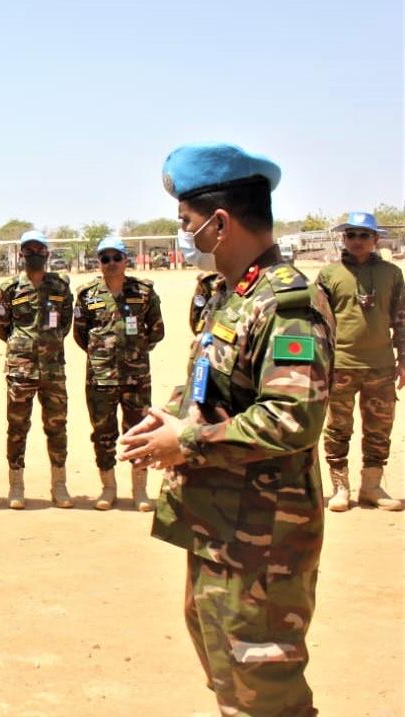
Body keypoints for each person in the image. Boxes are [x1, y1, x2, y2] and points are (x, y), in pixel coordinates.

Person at [120, 141, 332, 717]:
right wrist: (172, 417)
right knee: (231, 677)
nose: (183, 235)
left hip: (264, 535)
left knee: (264, 687)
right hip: (221, 523)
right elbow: (219, 384)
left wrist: (185, 441)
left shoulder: (286, 303)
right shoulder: (232, 294)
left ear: (218, 223)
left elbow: (291, 416)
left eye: (185, 222)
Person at [316, 211, 405, 511]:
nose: (357, 240)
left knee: (379, 429)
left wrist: (403, 360)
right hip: (340, 366)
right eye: (350, 235)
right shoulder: (329, 275)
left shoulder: (392, 274)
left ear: (375, 239)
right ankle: (340, 487)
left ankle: (371, 486)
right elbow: (318, 324)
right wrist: (319, 364)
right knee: (338, 429)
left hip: (381, 366)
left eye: (363, 235)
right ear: (344, 239)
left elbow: (402, 319)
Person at [72, 236, 164, 511]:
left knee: (139, 431)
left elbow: (156, 329)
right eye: (105, 258)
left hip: (136, 377)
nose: (111, 263)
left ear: (126, 260)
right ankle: (108, 488)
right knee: (103, 433)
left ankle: (140, 489)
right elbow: (80, 334)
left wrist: (134, 351)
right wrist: (102, 352)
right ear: (99, 262)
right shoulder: (87, 294)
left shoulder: (144, 292)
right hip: (100, 377)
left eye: (116, 257)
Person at [0, 230, 73, 509]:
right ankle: (16, 485)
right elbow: (3, 328)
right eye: (29, 250)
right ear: (21, 254)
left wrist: (48, 345)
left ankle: (59, 485)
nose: (34, 254)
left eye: (39, 250)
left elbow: (65, 324)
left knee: (57, 427)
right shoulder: (9, 288)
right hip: (21, 370)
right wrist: (24, 348)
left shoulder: (60, 286)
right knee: (17, 427)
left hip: (53, 370)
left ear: (47, 253)